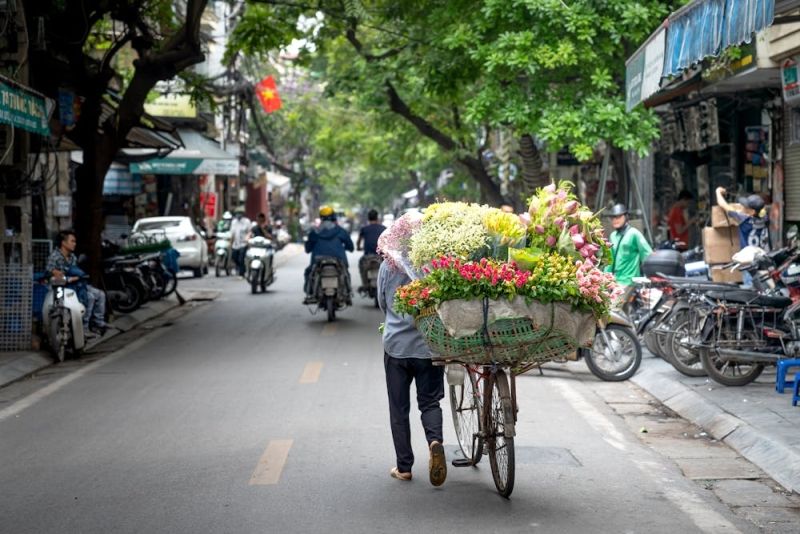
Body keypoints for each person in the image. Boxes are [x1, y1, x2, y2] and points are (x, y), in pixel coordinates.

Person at [376, 241, 447, 486]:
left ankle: (404, 467)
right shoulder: (433, 264)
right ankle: (435, 442)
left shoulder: (388, 266)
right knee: (429, 402)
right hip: (428, 346)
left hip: (396, 347)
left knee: (399, 408)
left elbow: (383, 303)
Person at [46, 230, 108, 336]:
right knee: (90, 297)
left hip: (77, 284)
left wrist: (73, 277)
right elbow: (51, 273)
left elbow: (76, 274)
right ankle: (84, 328)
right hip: (61, 287)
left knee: (100, 294)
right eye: (72, 241)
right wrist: (67, 277)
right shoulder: (54, 257)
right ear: (64, 243)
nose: (74, 243)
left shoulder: (73, 257)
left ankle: (98, 323)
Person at [716, 187, 770, 287]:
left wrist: (718, 192)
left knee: (752, 287)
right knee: (763, 286)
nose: (741, 208)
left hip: (749, 261)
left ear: (752, 212)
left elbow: (723, 204)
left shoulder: (743, 219)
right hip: (763, 258)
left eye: (745, 207)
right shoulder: (765, 218)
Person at [304, 205, 354, 303]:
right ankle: (347, 293)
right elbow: (350, 246)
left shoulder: (314, 232)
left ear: (321, 217)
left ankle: (311, 293)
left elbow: (308, 248)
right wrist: (347, 248)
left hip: (317, 261)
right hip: (339, 260)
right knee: (345, 273)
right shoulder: (340, 230)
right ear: (333, 216)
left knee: (309, 273)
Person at [606, 204, 653, 287]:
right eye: (613, 217)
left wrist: (649, 277)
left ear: (626, 217)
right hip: (615, 282)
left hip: (630, 282)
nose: (615, 220)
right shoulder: (613, 236)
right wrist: (605, 279)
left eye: (619, 216)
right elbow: (610, 260)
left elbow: (647, 255)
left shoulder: (634, 233)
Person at [356, 209, 386, 289]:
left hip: (367, 257)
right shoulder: (383, 228)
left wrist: (359, 247)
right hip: (380, 257)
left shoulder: (364, 229)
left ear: (368, 218)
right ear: (377, 218)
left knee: (361, 266)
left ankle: (365, 283)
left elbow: (358, 241)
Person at [230, 208, 251, 277]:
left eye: (240, 213)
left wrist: (248, 239)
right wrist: (230, 242)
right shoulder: (234, 222)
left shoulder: (247, 221)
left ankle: (241, 273)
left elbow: (249, 232)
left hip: (243, 243)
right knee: (234, 256)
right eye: (237, 213)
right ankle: (239, 267)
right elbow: (232, 233)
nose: (238, 215)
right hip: (235, 243)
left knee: (241, 258)